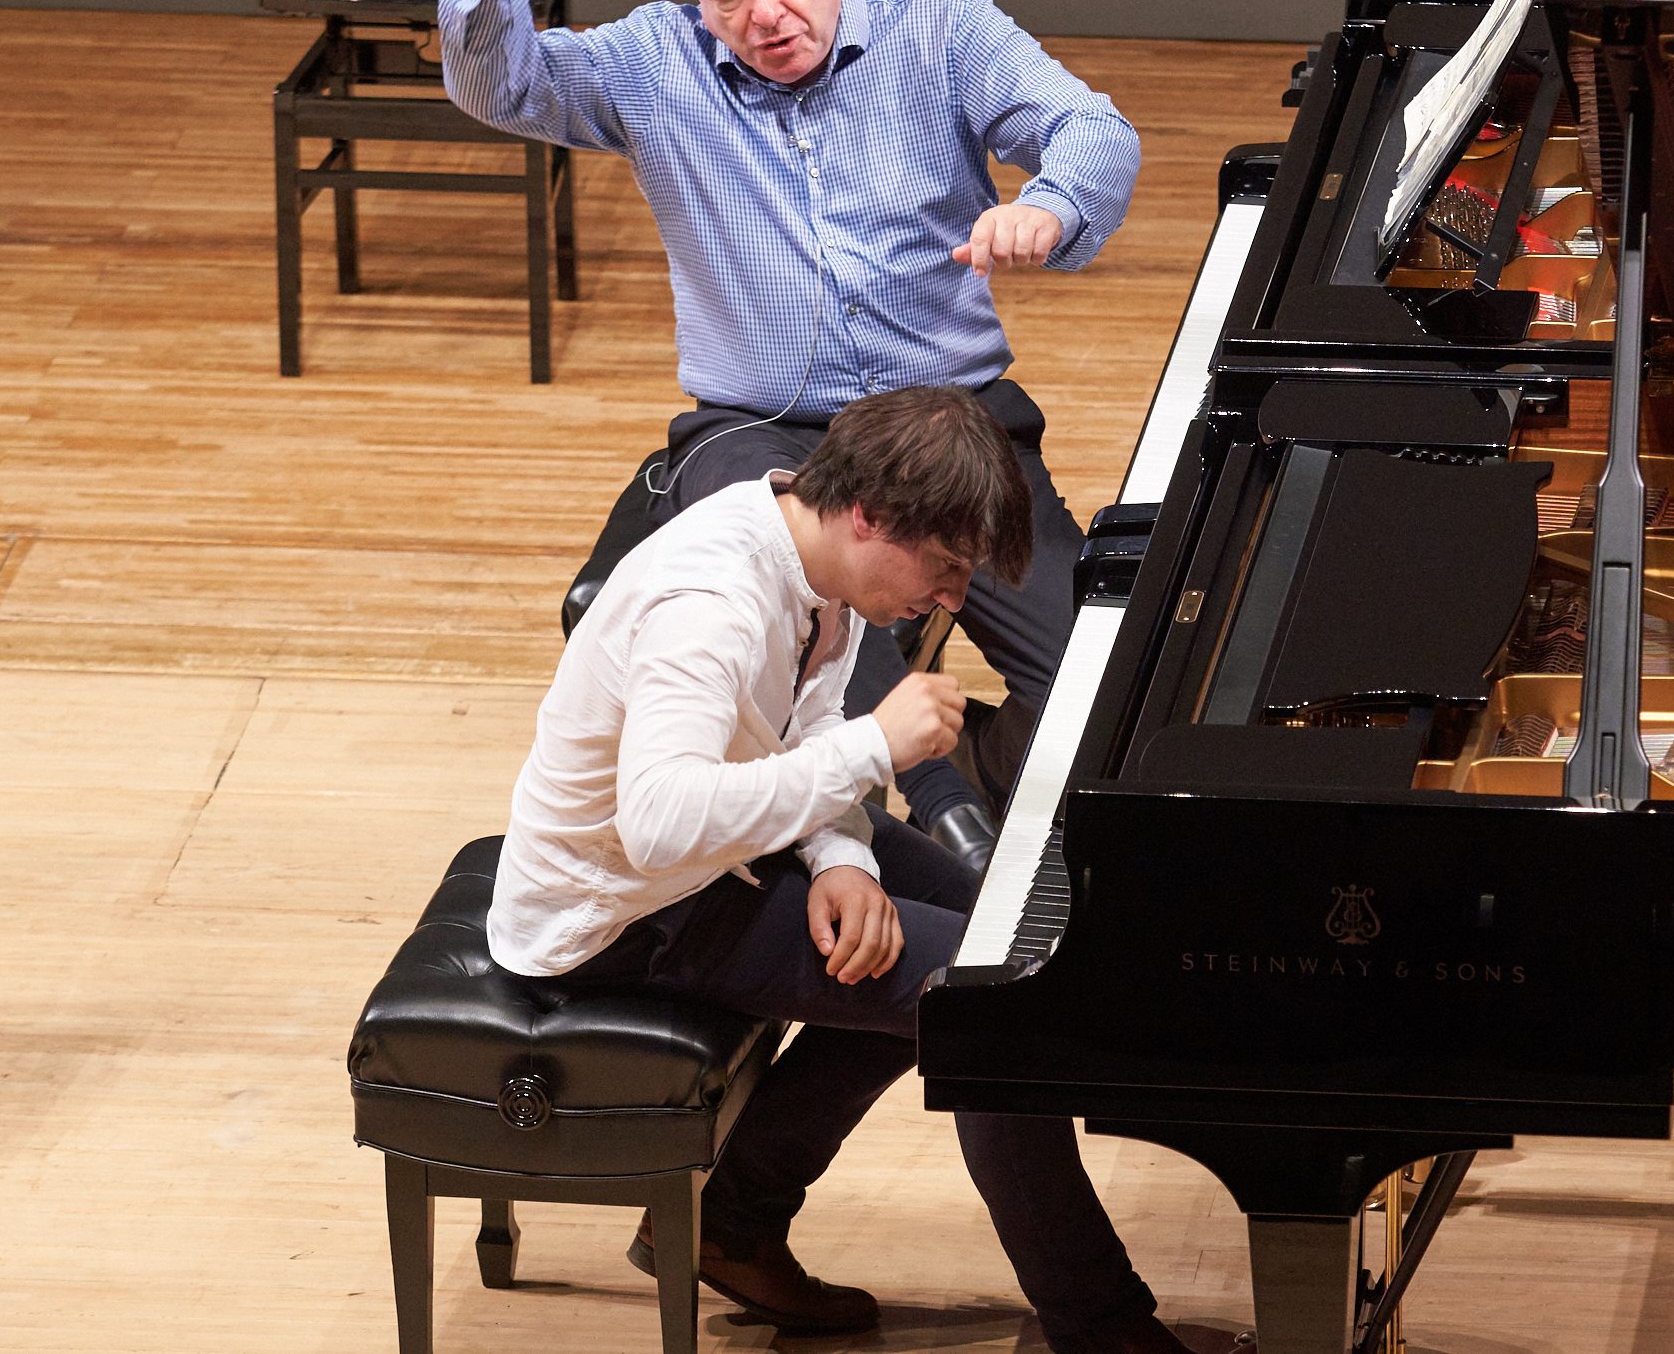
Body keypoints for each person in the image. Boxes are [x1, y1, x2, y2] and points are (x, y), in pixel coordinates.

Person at [440, 0, 1140, 867]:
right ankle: (938, 805)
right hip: (763, 427)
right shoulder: (654, 62)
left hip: (947, 421)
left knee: (1104, 684)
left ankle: (969, 762)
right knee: (803, 575)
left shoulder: (941, 28)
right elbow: (500, 87)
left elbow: (1095, 130)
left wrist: (1052, 205)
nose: (764, 13)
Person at [488, 385, 1194, 1354]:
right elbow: (658, 823)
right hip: (623, 910)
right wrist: (873, 751)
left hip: (722, 849)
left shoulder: (818, 558)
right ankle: (1103, 1332)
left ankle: (734, 1217)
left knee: (985, 928)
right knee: (990, 1002)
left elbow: (800, 728)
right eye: (945, 568)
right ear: (868, 513)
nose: (954, 599)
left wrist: (843, 854)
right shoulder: (713, 604)